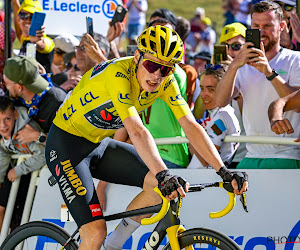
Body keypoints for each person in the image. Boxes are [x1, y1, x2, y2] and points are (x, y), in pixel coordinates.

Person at [44, 26, 248, 250]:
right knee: (94, 233)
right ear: (138, 57)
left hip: (98, 143)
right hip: (66, 145)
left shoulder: (165, 83)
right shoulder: (118, 73)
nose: (156, 75)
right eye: (151, 65)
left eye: (166, 69)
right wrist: (164, 175)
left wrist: (223, 171)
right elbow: (137, 130)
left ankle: (114, 245)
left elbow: (190, 125)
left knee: (157, 190)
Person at [215, 1, 300, 169]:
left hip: (287, 155)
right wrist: (234, 65)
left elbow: (297, 104)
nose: (261, 31)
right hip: (251, 155)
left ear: (282, 26)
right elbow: (220, 101)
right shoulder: (243, 64)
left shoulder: (295, 59)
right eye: (256, 25)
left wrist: (269, 73)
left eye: (267, 25)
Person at [0, 96, 45, 232]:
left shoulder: (26, 130)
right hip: (27, 175)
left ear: (15, 114)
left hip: (39, 179)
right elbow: (3, 152)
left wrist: (18, 170)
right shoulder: (6, 132)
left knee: (24, 216)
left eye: (7, 119)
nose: (3, 126)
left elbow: (43, 155)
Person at [2, 55, 66, 144]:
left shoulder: (57, 102)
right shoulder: (13, 96)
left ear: (19, 87)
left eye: (5, 83)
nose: (6, 87)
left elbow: (67, 142)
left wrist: (38, 136)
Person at [188, 64, 241, 169]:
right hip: (200, 175)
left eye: (211, 89)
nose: (204, 94)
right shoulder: (218, 113)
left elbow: (206, 159)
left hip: (206, 177)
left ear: (224, 89)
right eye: (202, 89)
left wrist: (191, 136)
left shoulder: (222, 115)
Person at [218, 22, 248, 168]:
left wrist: (235, 72)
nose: (230, 52)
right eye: (225, 47)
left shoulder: (254, 72)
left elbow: (248, 115)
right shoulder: (218, 74)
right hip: (222, 153)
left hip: (245, 153)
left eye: (236, 46)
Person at [11, 0, 55, 73]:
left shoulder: (47, 41)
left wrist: (36, 42)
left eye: (32, 17)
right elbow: (19, 31)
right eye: (23, 15)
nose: (27, 20)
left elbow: (43, 45)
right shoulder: (24, 38)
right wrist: (15, 3)